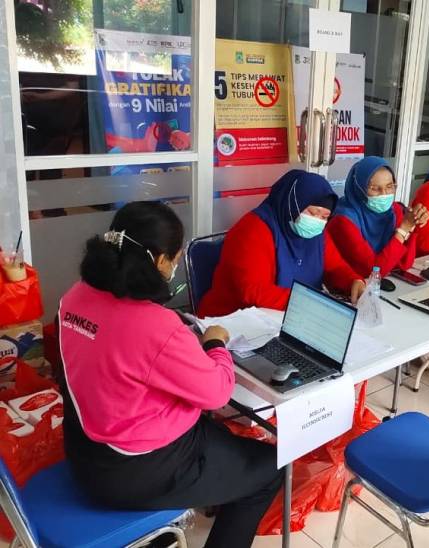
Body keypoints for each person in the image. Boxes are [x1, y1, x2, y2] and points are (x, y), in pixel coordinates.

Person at [57, 202, 282, 548]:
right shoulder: (155, 326)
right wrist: (215, 343)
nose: (175, 267)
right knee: (270, 468)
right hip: (136, 470)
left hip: (84, 449)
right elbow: (218, 392)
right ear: (160, 260)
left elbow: (116, 354)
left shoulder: (74, 298)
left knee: (220, 439)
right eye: (175, 259)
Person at [199, 170, 366, 317]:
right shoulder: (254, 229)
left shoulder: (317, 234)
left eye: (324, 217)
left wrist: (353, 281)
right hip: (230, 321)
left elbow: (336, 267)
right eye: (313, 213)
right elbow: (253, 291)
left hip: (288, 318)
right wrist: (309, 303)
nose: (318, 222)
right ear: (293, 204)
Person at [327, 156, 429, 277]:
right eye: (375, 189)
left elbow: (404, 263)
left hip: (382, 281)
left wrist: (413, 224)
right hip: (354, 284)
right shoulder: (343, 220)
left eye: (389, 187)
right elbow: (373, 272)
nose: (384, 194)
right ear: (359, 189)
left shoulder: (394, 210)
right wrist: (403, 230)